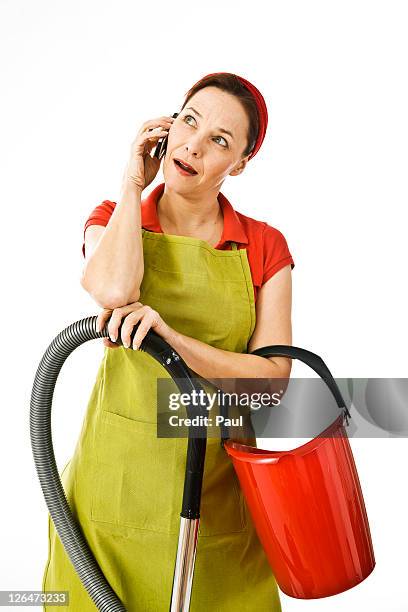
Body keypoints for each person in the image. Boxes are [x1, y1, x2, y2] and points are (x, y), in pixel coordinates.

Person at [42, 72, 295, 611]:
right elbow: (112, 289)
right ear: (168, 125)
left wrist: (170, 337)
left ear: (240, 164)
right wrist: (133, 185)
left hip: (216, 499)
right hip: (111, 495)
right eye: (189, 121)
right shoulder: (115, 219)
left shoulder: (264, 246)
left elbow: (272, 384)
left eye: (220, 141)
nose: (195, 145)